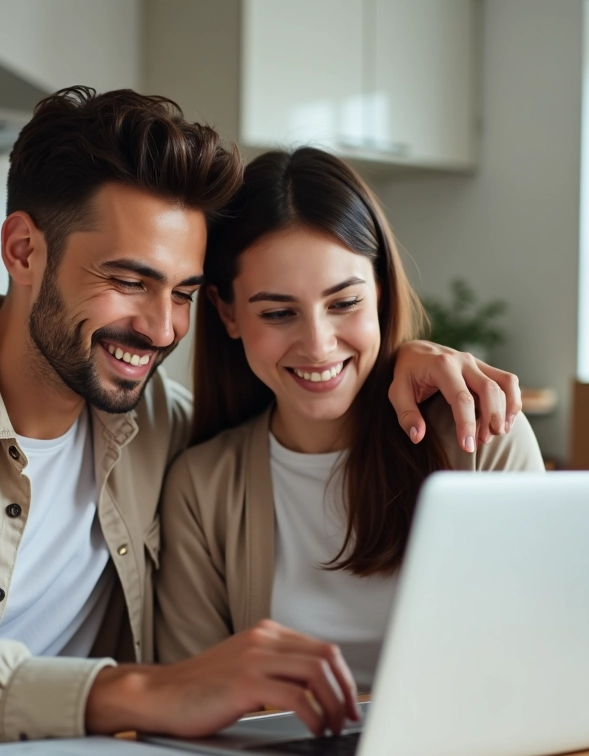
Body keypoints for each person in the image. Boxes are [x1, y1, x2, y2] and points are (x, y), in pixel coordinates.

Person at [0, 88, 524, 756]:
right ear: (23, 249)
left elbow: (308, 388)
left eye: (183, 292)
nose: (161, 327)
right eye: (129, 281)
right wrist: (136, 691)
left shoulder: (167, 431)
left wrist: (401, 357)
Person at [156, 148, 546, 686]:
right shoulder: (200, 489)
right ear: (228, 313)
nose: (318, 344)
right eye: (278, 312)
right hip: (283, 746)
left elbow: (537, 652)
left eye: (344, 304)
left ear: (380, 293)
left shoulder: (479, 434)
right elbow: (193, 696)